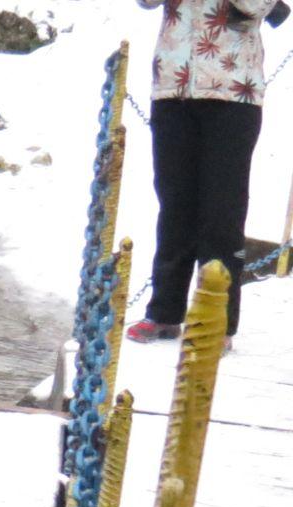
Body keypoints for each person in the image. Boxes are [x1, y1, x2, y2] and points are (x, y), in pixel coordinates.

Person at [128, 0, 282, 344]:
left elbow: (255, 6)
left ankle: (217, 324)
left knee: (222, 212)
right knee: (174, 205)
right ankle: (164, 314)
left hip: (233, 93)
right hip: (173, 86)